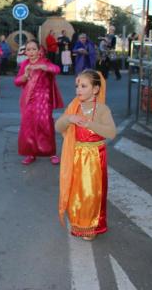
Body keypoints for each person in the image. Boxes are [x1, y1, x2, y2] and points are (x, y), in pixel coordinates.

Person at [55, 69, 116, 240]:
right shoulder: (74, 106)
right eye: (77, 86)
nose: (78, 90)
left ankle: (90, 226)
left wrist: (90, 124)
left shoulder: (102, 109)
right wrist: (69, 119)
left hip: (94, 157)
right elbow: (58, 127)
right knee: (76, 193)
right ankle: (78, 223)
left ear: (95, 89)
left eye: (83, 86)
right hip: (75, 156)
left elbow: (111, 132)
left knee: (91, 193)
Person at [15, 40, 64, 165]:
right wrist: (25, 76)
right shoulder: (24, 64)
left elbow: (57, 69)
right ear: (25, 52)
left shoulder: (44, 62)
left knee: (45, 125)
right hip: (28, 99)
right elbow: (17, 82)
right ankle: (31, 153)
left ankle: (51, 153)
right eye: (28, 49)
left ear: (39, 50)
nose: (31, 52)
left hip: (43, 99)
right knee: (28, 126)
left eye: (33, 49)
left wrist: (45, 67)